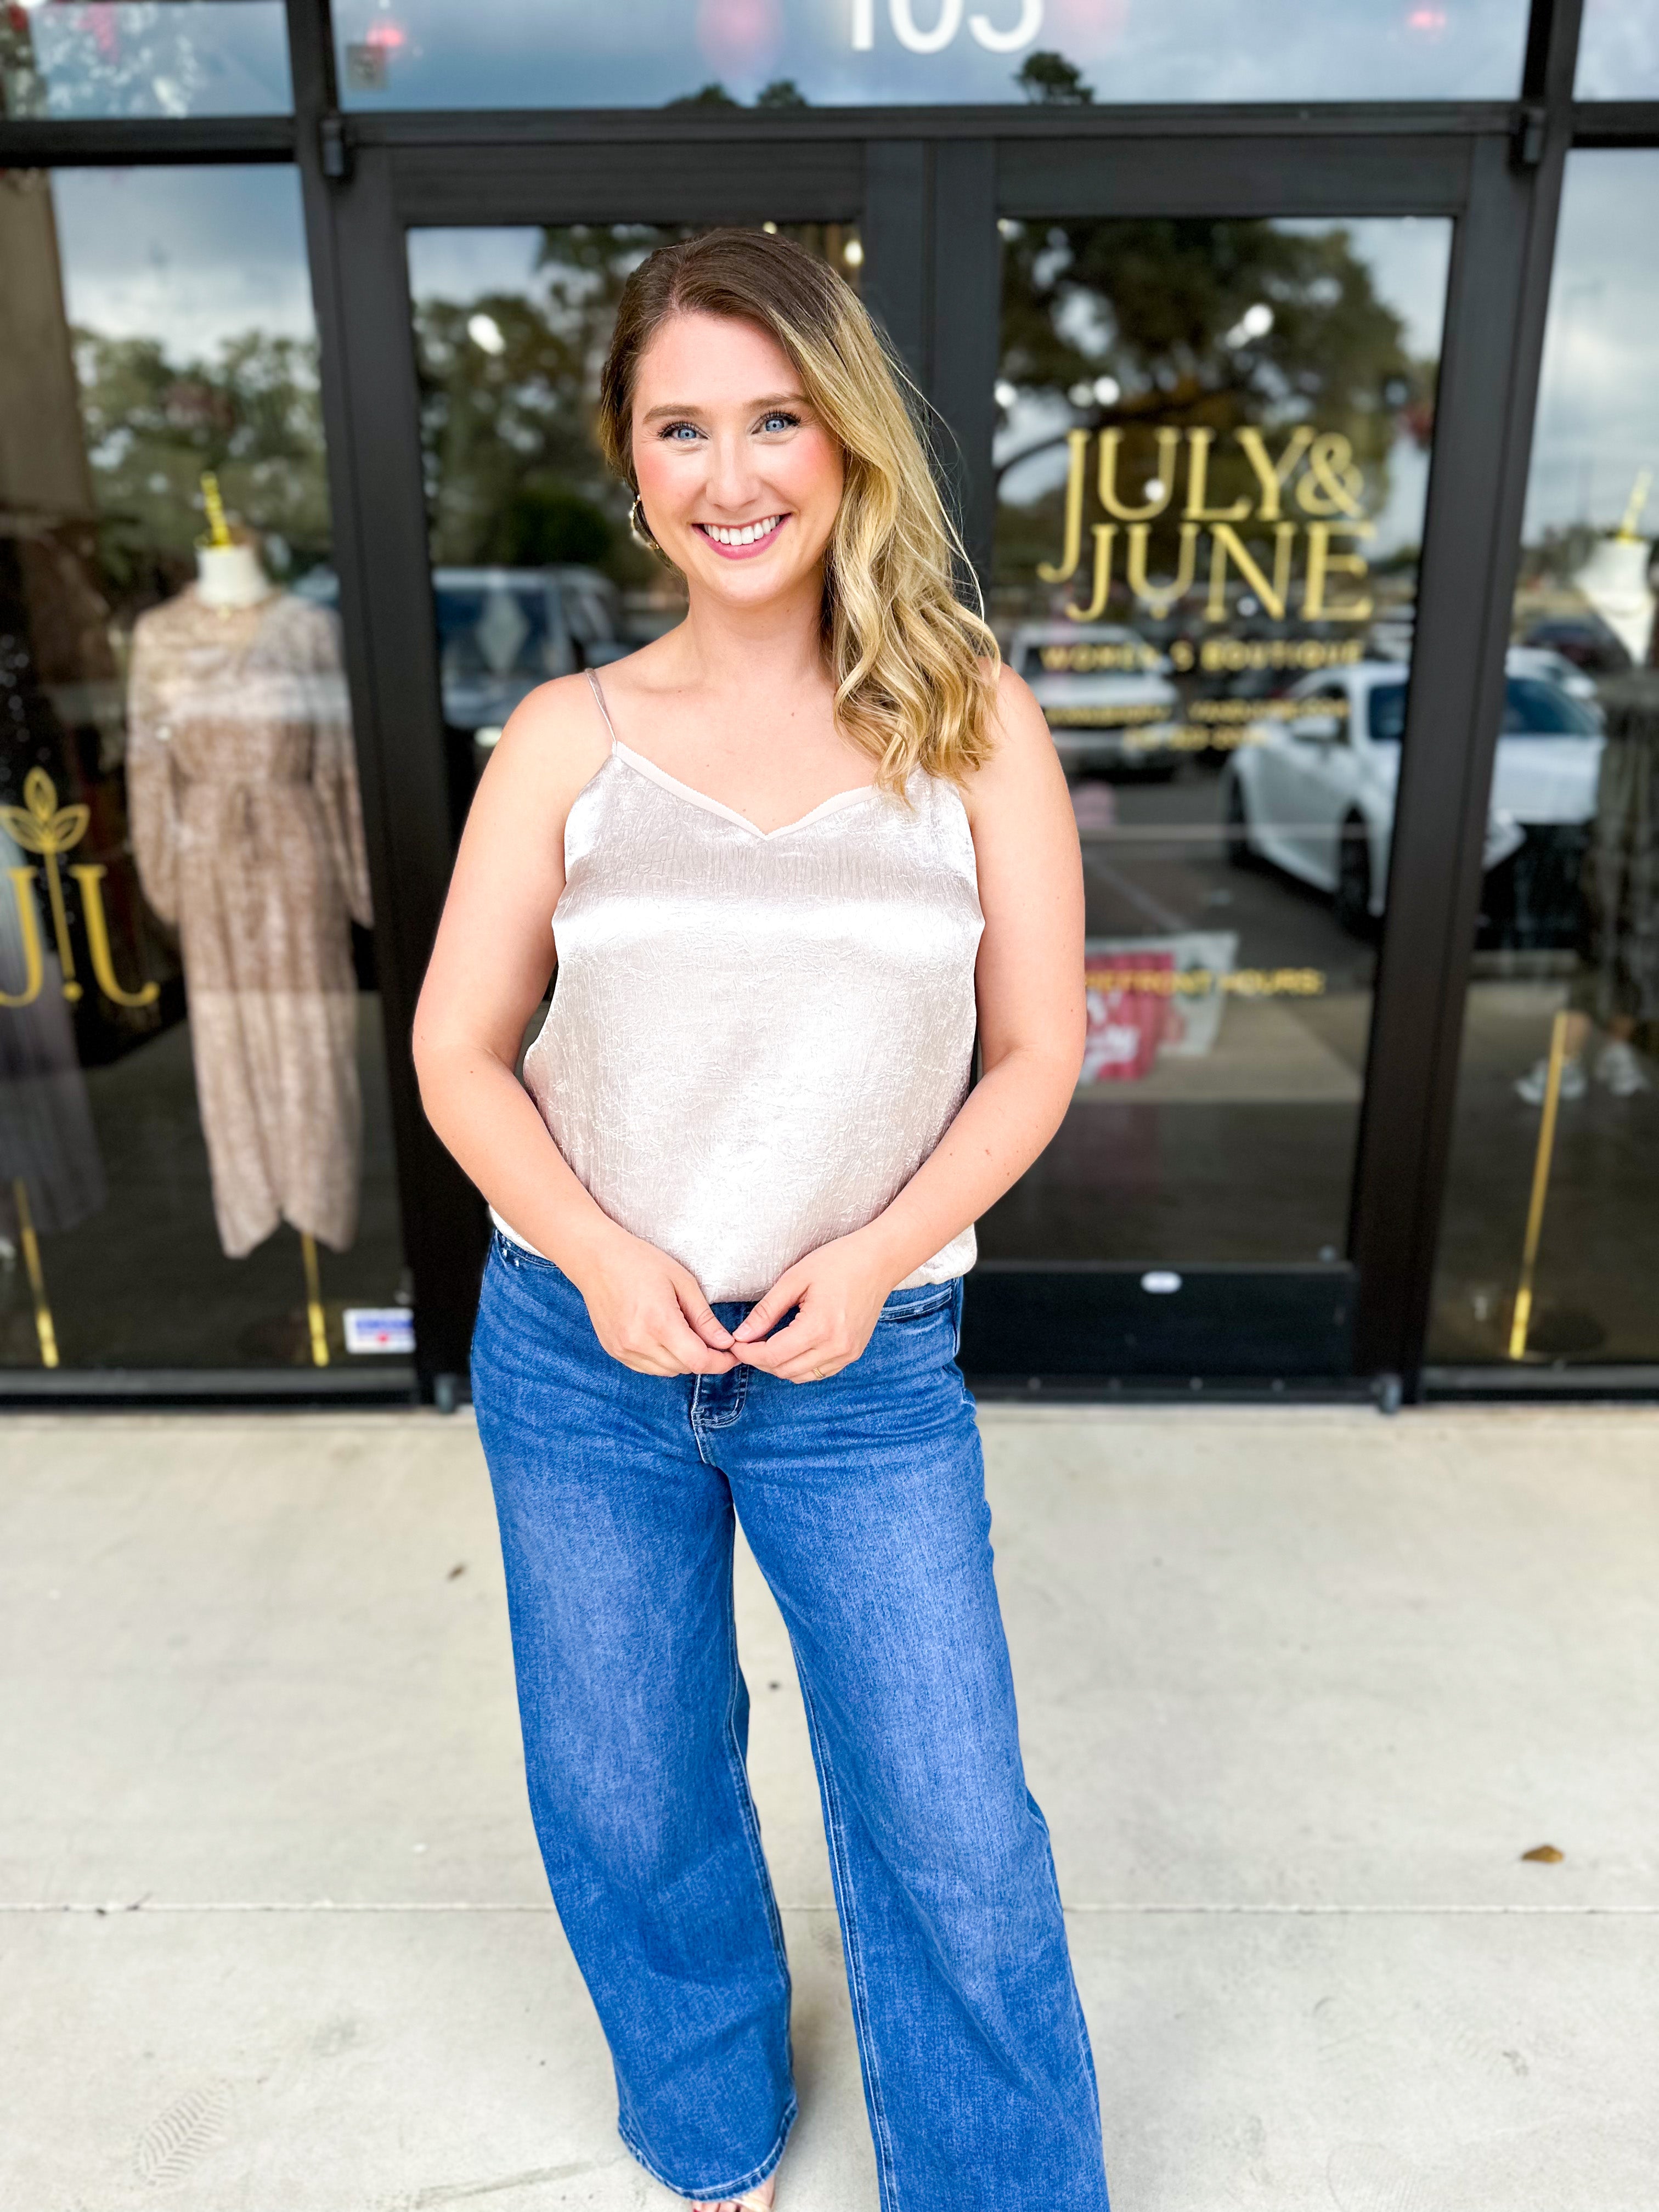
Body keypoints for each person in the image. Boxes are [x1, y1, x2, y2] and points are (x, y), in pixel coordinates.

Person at [413, 228, 1109, 2212]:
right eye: (682, 429)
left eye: (777, 420)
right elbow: (459, 1048)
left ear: (848, 441)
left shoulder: (972, 723)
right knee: (628, 1789)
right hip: (585, 1355)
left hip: (863, 1367)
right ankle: (711, 2126)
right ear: (633, 469)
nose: (732, 475)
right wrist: (596, 1250)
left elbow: (1036, 1051)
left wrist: (880, 1253)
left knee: (952, 1818)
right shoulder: (568, 739)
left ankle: (998, 2188)